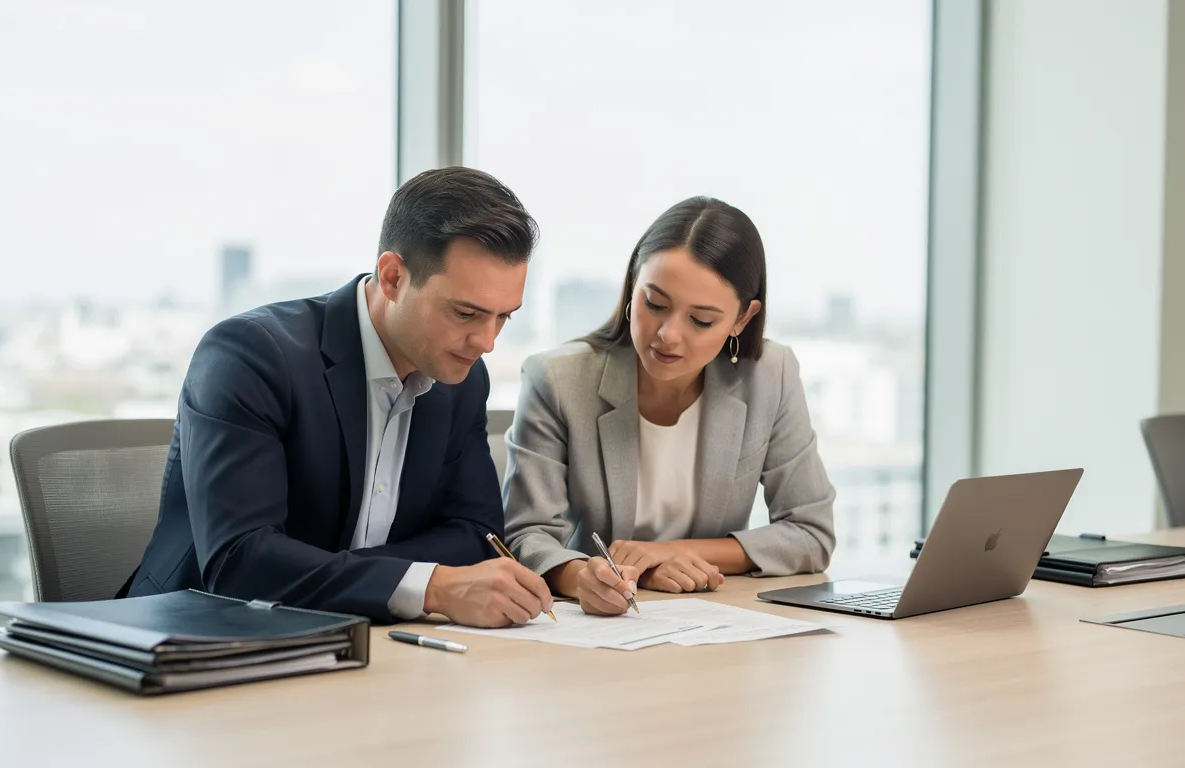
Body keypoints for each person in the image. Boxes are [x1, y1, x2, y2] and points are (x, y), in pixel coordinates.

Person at [121, 167, 554, 628]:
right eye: (466, 313)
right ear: (392, 278)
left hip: (367, 643)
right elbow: (241, 562)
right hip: (197, 639)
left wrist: (343, 576)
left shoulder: (462, 379)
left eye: (503, 317)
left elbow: (475, 537)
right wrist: (430, 586)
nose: (486, 342)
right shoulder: (251, 356)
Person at [503, 196, 836, 615]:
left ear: (742, 319)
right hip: (606, 621)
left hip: (716, 619)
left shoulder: (771, 373)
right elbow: (526, 535)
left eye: (701, 320)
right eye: (654, 304)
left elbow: (811, 532)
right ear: (632, 284)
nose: (668, 335)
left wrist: (667, 553)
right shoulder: (556, 380)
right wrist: (588, 577)